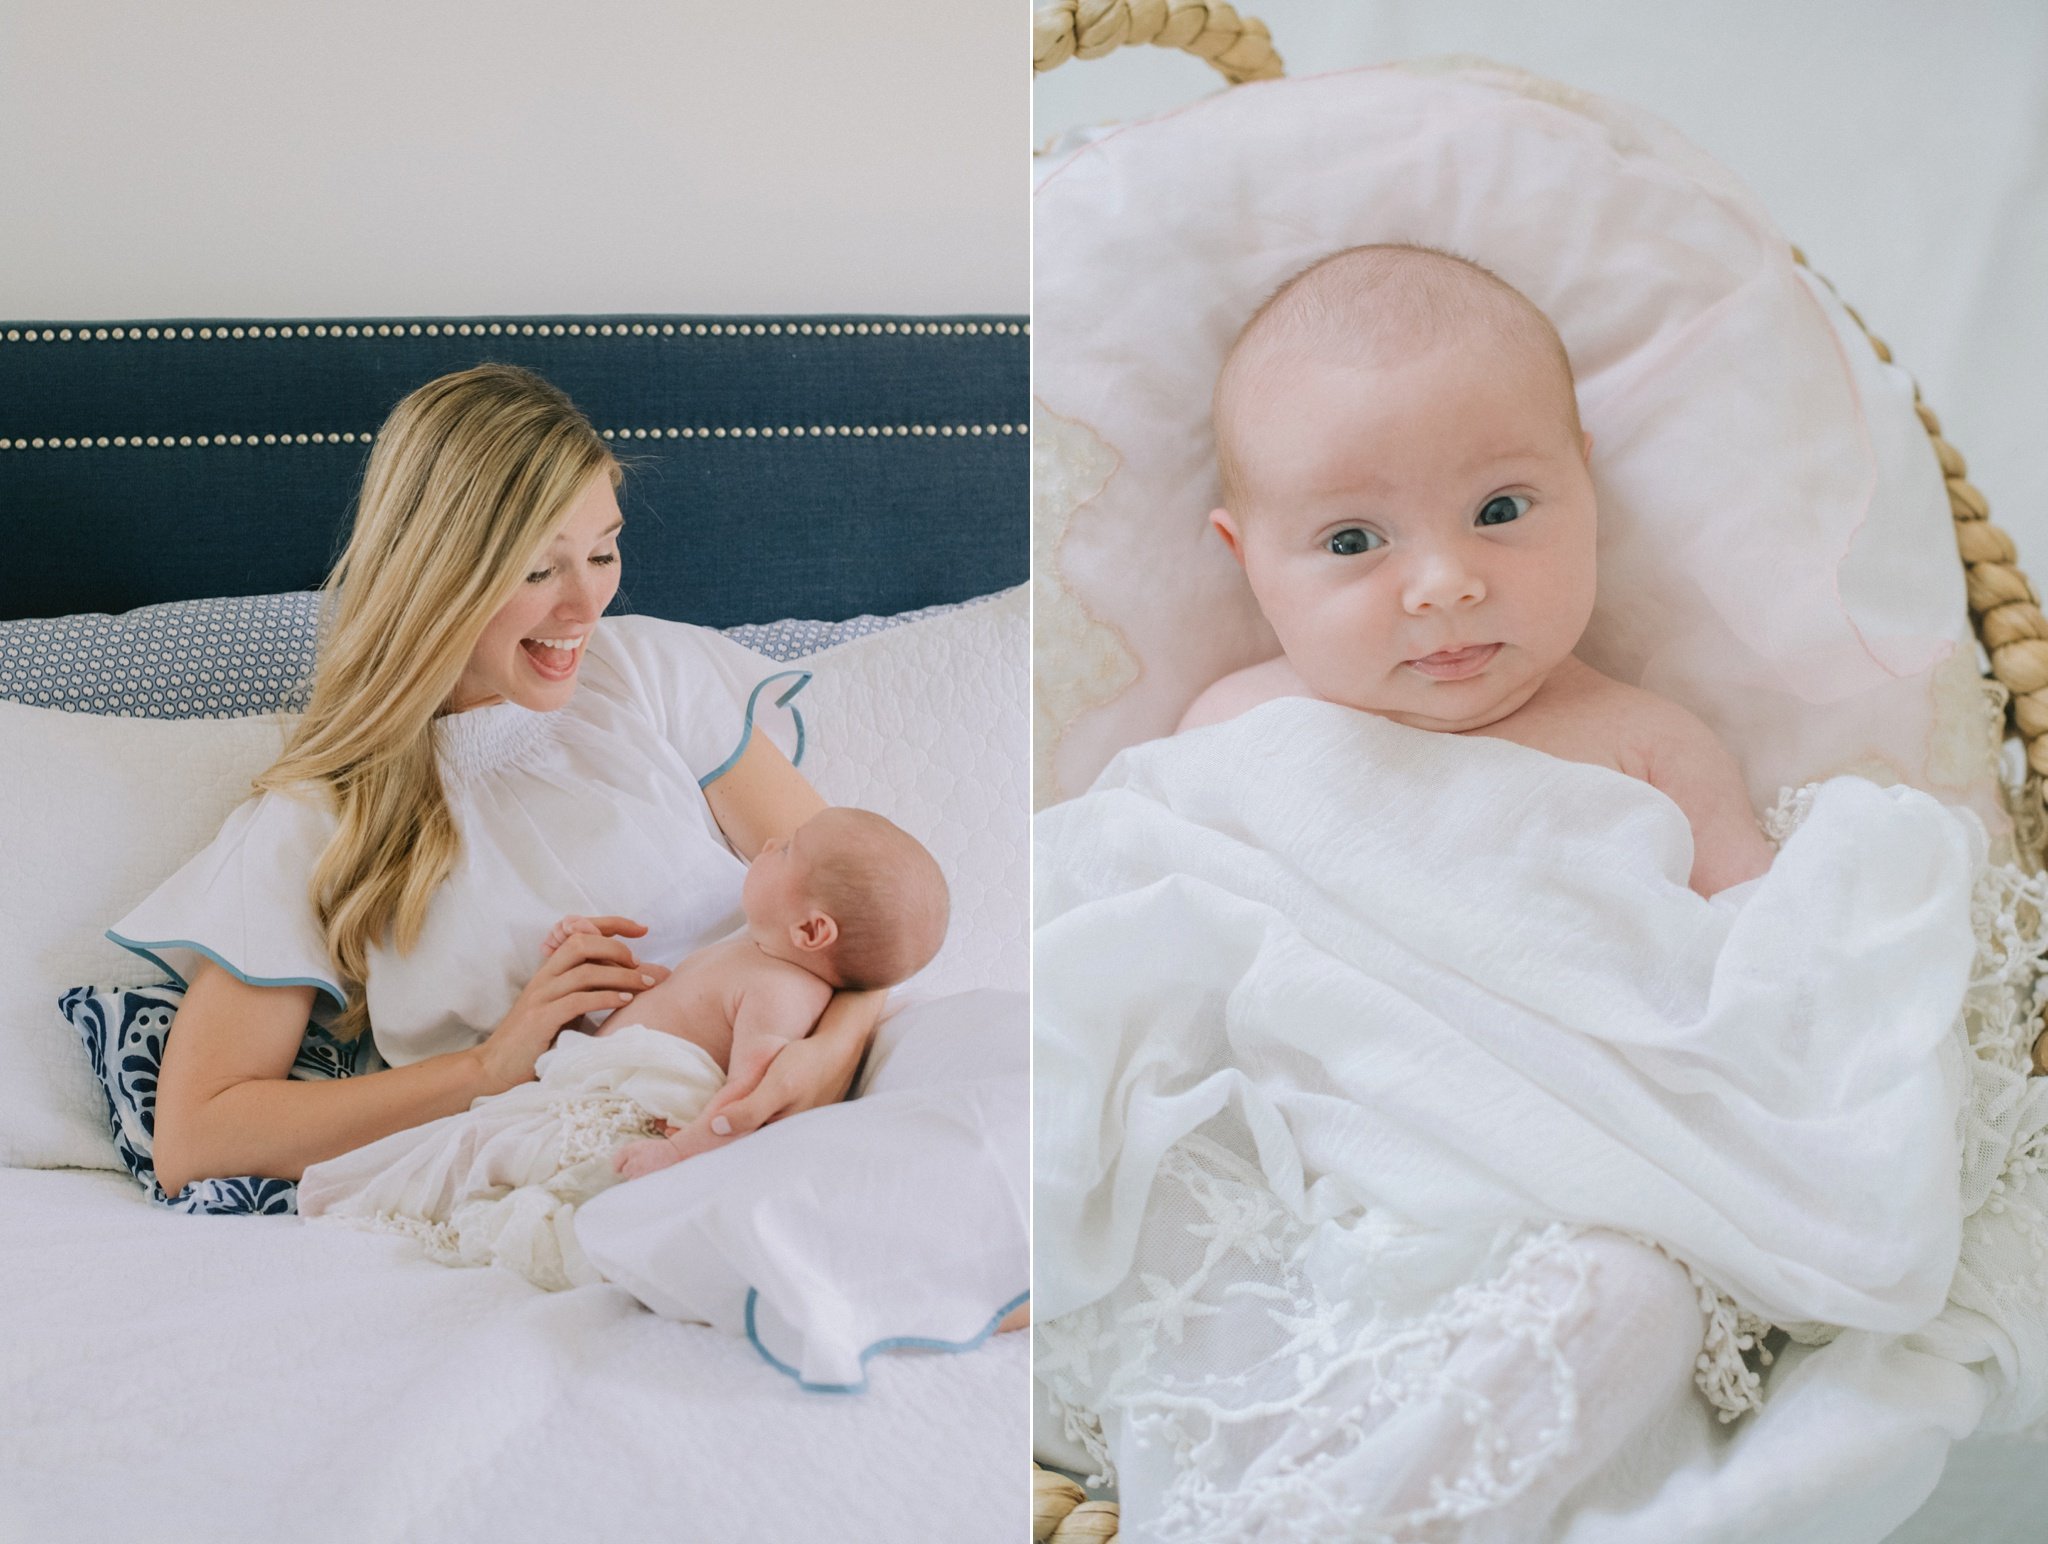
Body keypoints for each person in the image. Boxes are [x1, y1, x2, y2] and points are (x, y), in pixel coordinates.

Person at [117, 363, 886, 1198]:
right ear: (434, 575)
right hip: (618, 1148)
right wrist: (490, 1064)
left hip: (849, 1069)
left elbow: (866, 916)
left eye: (603, 549)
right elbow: (196, 1139)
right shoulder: (320, 818)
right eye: (537, 571)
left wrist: (822, 1057)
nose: (586, 604)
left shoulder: (647, 674)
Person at [1181, 242, 1776, 898]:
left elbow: (1766, 940)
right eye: (1351, 541)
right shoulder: (1239, 728)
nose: (1445, 585)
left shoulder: (1653, 750)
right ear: (1246, 559)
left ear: (1586, 485)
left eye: (1499, 510)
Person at [288, 805, 952, 1289]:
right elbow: (657, 1013)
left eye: (785, 852)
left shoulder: (782, 997)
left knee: (486, 1159)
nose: (770, 839)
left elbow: (746, 1104)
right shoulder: (747, 954)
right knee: (466, 1148)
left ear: (812, 929)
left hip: (627, 1116)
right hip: (582, 1080)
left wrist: (677, 1153)